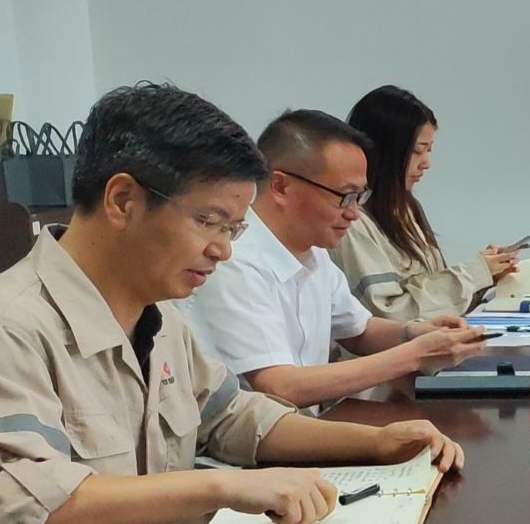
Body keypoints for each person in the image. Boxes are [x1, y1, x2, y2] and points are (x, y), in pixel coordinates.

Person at [0, 84, 465, 524]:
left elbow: (233, 416)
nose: (223, 251)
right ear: (123, 200)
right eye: (209, 222)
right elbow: (29, 511)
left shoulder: (160, 320)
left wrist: (375, 443)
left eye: (233, 230)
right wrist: (223, 486)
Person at [181, 109, 487, 410]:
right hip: (249, 441)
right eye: (345, 196)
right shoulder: (235, 260)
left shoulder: (313, 251)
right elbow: (280, 387)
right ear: (280, 186)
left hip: (300, 429)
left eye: (360, 197)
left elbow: (359, 330)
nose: (354, 213)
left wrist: (412, 332)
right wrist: (414, 355)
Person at [331, 85, 517, 319]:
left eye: (429, 150)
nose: (427, 163)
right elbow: (389, 314)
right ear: (384, 150)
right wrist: (473, 275)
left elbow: (431, 297)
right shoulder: (352, 222)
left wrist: (484, 278)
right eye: (418, 151)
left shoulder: (404, 208)